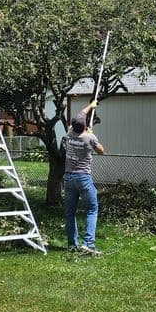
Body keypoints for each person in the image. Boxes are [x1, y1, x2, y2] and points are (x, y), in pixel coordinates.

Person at [63, 100, 105, 255]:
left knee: (70, 213)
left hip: (68, 177)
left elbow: (81, 115)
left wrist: (91, 105)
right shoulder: (90, 138)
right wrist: (92, 135)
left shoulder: (69, 132)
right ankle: (88, 244)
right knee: (92, 210)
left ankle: (71, 244)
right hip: (83, 178)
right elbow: (101, 151)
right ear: (85, 126)